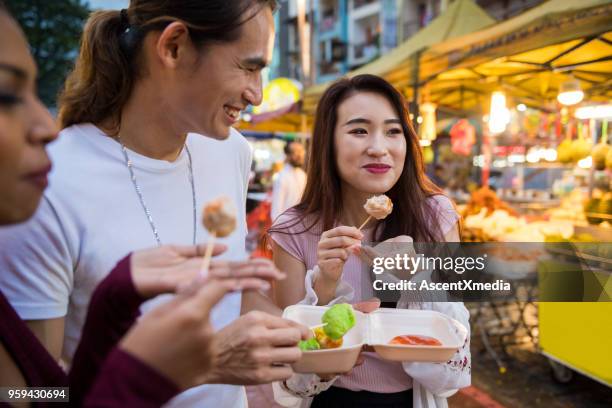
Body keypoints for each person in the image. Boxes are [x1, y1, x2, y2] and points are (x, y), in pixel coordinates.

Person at [0, 0, 307, 406]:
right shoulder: (43, 184)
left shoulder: (230, 150)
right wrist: (203, 364)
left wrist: (312, 335)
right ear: (174, 46)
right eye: (248, 67)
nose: (257, 93)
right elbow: (31, 393)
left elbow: (225, 294)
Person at [268, 75, 470, 407]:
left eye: (393, 131)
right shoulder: (293, 230)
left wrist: (418, 282)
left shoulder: (436, 217)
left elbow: (457, 368)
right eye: (359, 130)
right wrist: (322, 289)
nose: (379, 147)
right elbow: (290, 377)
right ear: (328, 142)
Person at [271, 141, 307, 220]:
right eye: (295, 152)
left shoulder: (303, 175)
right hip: (286, 226)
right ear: (287, 155)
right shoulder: (281, 177)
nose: (299, 155)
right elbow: (276, 210)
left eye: (301, 151)